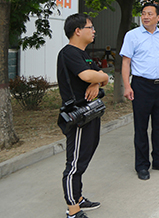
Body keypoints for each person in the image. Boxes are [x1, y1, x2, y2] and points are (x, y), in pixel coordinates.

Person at [57, 13, 109, 218]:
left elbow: (102, 75)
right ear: (78, 31)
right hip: (77, 115)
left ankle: (78, 197)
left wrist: (97, 81)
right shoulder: (68, 52)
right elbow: (87, 75)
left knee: (85, 155)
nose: (94, 30)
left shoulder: (84, 55)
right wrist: (97, 78)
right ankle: (72, 210)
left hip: (91, 112)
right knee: (75, 162)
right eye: (90, 27)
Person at [121, 2, 159, 181]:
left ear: (158, 17)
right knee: (141, 127)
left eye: (150, 13)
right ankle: (142, 165)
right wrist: (127, 86)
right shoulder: (132, 35)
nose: (145, 16)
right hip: (141, 86)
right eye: (143, 13)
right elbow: (126, 62)